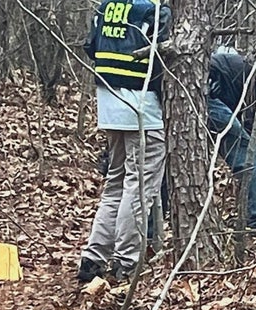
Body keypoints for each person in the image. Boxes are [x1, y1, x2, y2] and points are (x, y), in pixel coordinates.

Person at [77, 0, 172, 283]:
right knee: (139, 185)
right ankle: (127, 261)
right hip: (143, 108)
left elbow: (90, 48)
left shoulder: (106, 7)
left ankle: (94, 258)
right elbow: (166, 61)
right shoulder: (153, 11)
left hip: (108, 103)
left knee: (116, 182)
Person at [208, 52, 256, 230]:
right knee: (247, 155)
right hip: (207, 93)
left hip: (207, 90)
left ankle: (152, 228)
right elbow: (253, 126)